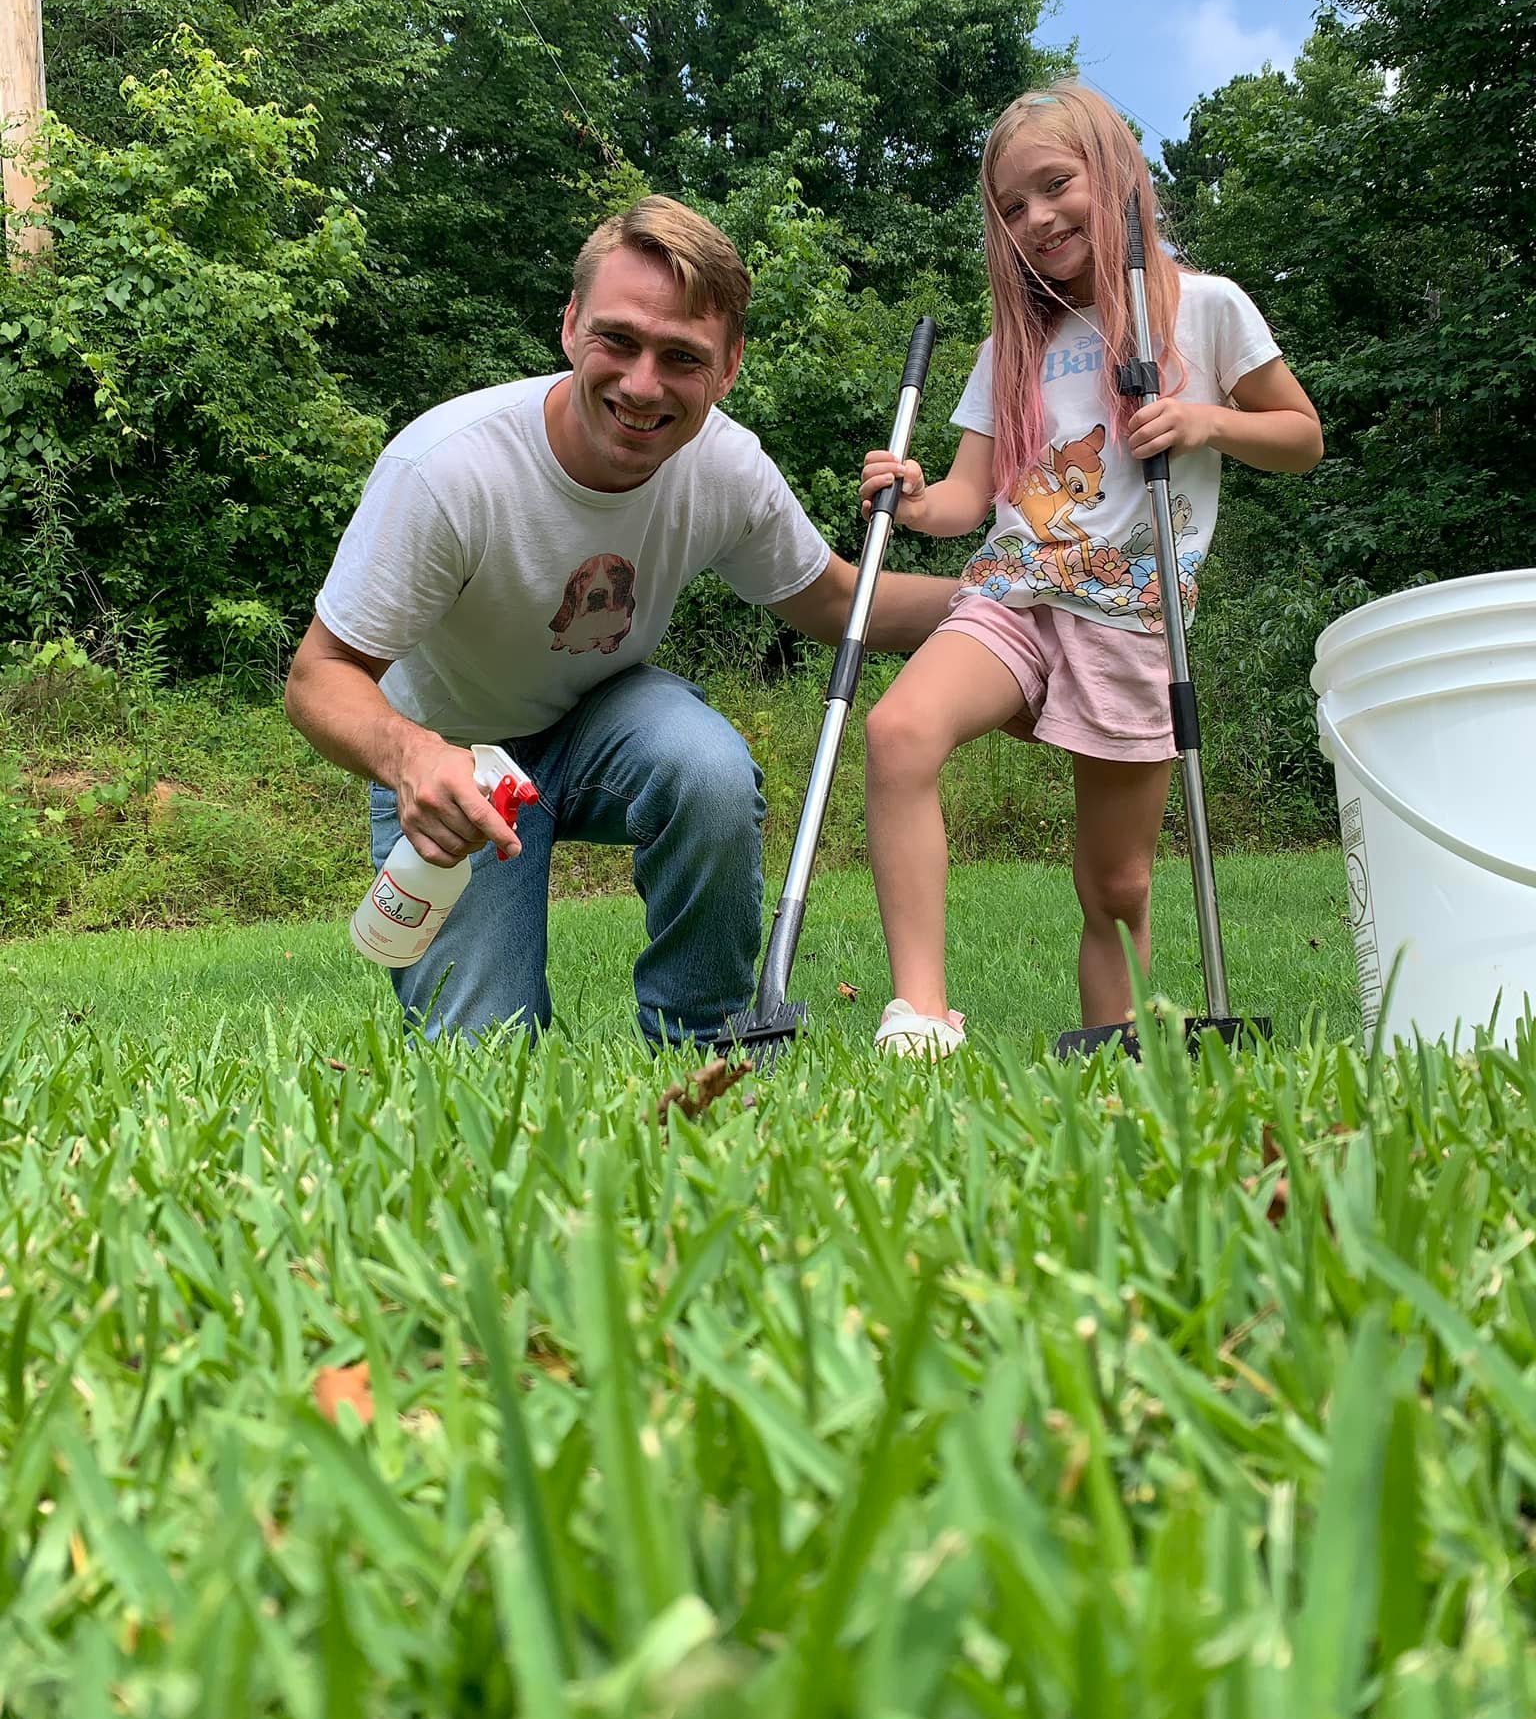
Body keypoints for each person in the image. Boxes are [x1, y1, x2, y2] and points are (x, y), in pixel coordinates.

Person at [285, 195, 954, 1048]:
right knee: (483, 1071)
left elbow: (835, 601)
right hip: (457, 765)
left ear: (729, 366)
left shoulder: (724, 468)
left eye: (682, 356)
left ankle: (707, 1048)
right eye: (619, 340)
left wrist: (1010, 608)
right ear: (570, 326)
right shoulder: (446, 470)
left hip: (606, 724)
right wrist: (412, 756)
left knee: (707, 769)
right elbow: (318, 677)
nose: (643, 385)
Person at [858, 83, 1324, 1057]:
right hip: (1013, 593)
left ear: (1114, 178)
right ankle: (921, 1014)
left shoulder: (1202, 309)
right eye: (1012, 207)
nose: (1036, 217)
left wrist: (1207, 420)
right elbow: (965, 498)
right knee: (899, 729)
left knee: (1114, 885)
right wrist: (910, 492)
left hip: (1129, 613)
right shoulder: (1012, 347)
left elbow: (1301, 435)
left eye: (1054, 185)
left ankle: (1116, 1047)